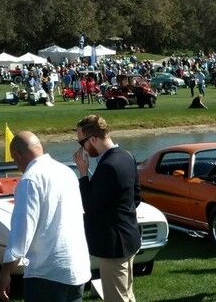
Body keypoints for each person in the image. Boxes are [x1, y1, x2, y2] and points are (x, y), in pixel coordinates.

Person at [0, 131, 91, 302]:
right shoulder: (67, 172)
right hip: (76, 267)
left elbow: (22, 231)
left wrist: (6, 272)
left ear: (18, 155)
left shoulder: (30, 180)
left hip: (47, 272)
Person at [73, 115, 141, 302]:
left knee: (116, 298)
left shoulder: (108, 167)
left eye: (81, 142)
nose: (81, 148)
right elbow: (136, 197)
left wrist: (83, 174)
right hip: (128, 237)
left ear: (93, 139)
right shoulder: (127, 156)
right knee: (126, 295)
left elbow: (90, 206)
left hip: (113, 245)